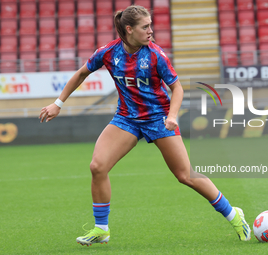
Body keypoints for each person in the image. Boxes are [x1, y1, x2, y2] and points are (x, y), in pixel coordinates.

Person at [39, 5, 251, 246]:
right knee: (97, 166)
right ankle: (101, 229)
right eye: (145, 26)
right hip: (126, 118)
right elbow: (81, 74)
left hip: (158, 118)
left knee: (185, 176)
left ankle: (234, 215)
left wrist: (172, 115)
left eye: (150, 25)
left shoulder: (156, 55)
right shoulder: (108, 52)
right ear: (129, 30)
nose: (151, 30)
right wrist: (58, 103)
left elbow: (177, 88)